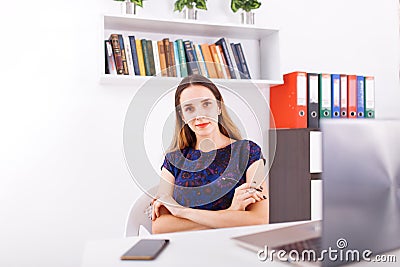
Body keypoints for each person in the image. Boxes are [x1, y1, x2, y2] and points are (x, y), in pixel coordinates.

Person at [151, 74, 269, 234]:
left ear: (219, 106)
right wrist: (231, 214)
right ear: (182, 116)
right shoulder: (173, 160)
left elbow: (259, 219)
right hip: (184, 251)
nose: (199, 115)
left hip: (233, 248)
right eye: (189, 108)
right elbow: (160, 227)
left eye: (206, 104)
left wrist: (182, 212)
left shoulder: (249, 152)